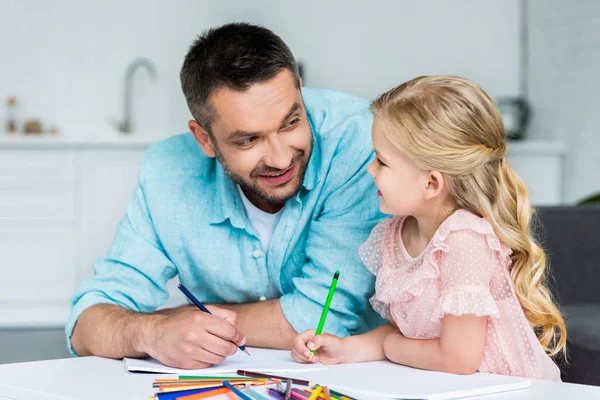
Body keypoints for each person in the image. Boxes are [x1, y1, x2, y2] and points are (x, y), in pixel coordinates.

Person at [67, 22, 385, 369]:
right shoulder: (167, 174)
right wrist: (152, 332)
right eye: (248, 140)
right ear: (204, 139)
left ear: (299, 90)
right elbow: (86, 323)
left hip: (358, 376)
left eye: (290, 123)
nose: (280, 158)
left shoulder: (359, 141)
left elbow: (323, 316)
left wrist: (186, 319)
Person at [291, 76, 567, 380]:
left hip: (501, 389)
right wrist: (346, 349)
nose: (370, 169)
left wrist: (387, 344)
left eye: (382, 162)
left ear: (431, 183)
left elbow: (458, 359)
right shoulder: (395, 234)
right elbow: (405, 333)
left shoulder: (463, 239)